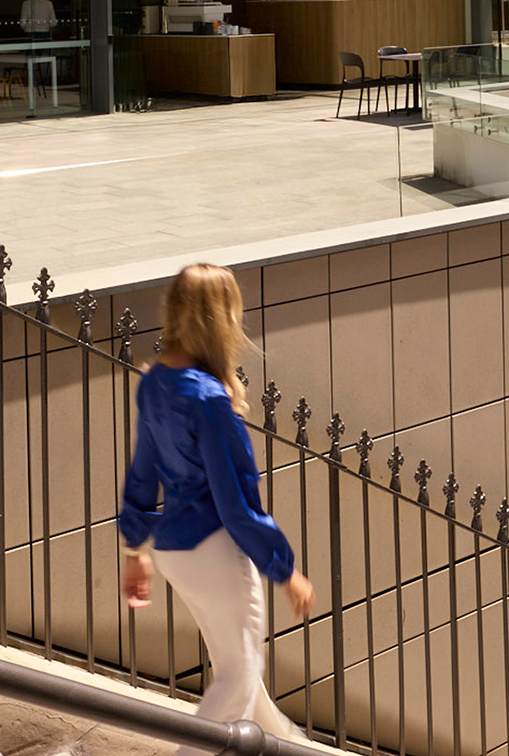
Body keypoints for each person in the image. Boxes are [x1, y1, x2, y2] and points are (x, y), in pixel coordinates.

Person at [119, 264, 315, 738]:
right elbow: (235, 504)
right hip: (216, 551)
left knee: (244, 681)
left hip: (175, 555)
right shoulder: (209, 399)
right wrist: (284, 570)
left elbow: (143, 474)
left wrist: (133, 550)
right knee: (238, 679)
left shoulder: (155, 383)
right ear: (222, 318)